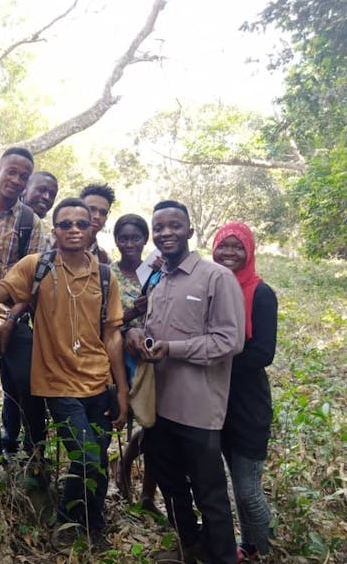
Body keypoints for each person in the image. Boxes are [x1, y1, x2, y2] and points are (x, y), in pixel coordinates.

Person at [0, 197, 129, 550]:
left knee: (95, 461)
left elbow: (111, 335)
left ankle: (93, 528)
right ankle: (66, 524)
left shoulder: (106, 276)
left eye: (81, 223)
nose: (74, 230)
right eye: (65, 224)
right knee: (88, 458)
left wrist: (121, 389)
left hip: (98, 383)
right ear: (56, 230)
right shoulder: (37, 266)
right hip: (57, 383)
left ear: (93, 227)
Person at [125, 200, 245, 564]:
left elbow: (230, 340)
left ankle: (221, 556)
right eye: (158, 227)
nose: (165, 233)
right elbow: (153, 328)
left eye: (174, 225)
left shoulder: (215, 278)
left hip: (198, 409)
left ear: (190, 231)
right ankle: (188, 544)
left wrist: (172, 349)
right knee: (171, 484)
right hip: (159, 406)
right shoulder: (158, 280)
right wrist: (135, 333)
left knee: (209, 493)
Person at [212, 222, 277, 563]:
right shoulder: (212, 286)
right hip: (217, 403)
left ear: (249, 251)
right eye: (225, 246)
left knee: (247, 489)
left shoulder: (260, 292)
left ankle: (264, 552)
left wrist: (213, 358)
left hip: (248, 405)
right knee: (236, 483)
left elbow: (263, 352)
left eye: (238, 247)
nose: (230, 253)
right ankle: (249, 546)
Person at [0, 147, 46, 459]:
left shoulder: (29, 222)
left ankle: (36, 455)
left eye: (24, 176)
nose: (17, 180)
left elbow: (30, 284)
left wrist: (10, 321)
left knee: (27, 379)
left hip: (9, 311)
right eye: (12, 172)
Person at [110, 214, 160, 515]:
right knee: (121, 419)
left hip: (153, 360)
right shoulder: (109, 274)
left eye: (135, 238)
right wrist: (130, 316)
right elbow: (103, 321)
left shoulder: (156, 272)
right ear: (116, 240)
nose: (129, 243)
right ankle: (121, 479)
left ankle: (147, 496)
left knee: (153, 428)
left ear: (145, 240)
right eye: (123, 238)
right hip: (118, 359)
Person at [79, 183, 114, 264]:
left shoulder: (103, 259)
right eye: (91, 209)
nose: (97, 216)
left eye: (103, 212)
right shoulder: (51, 244)